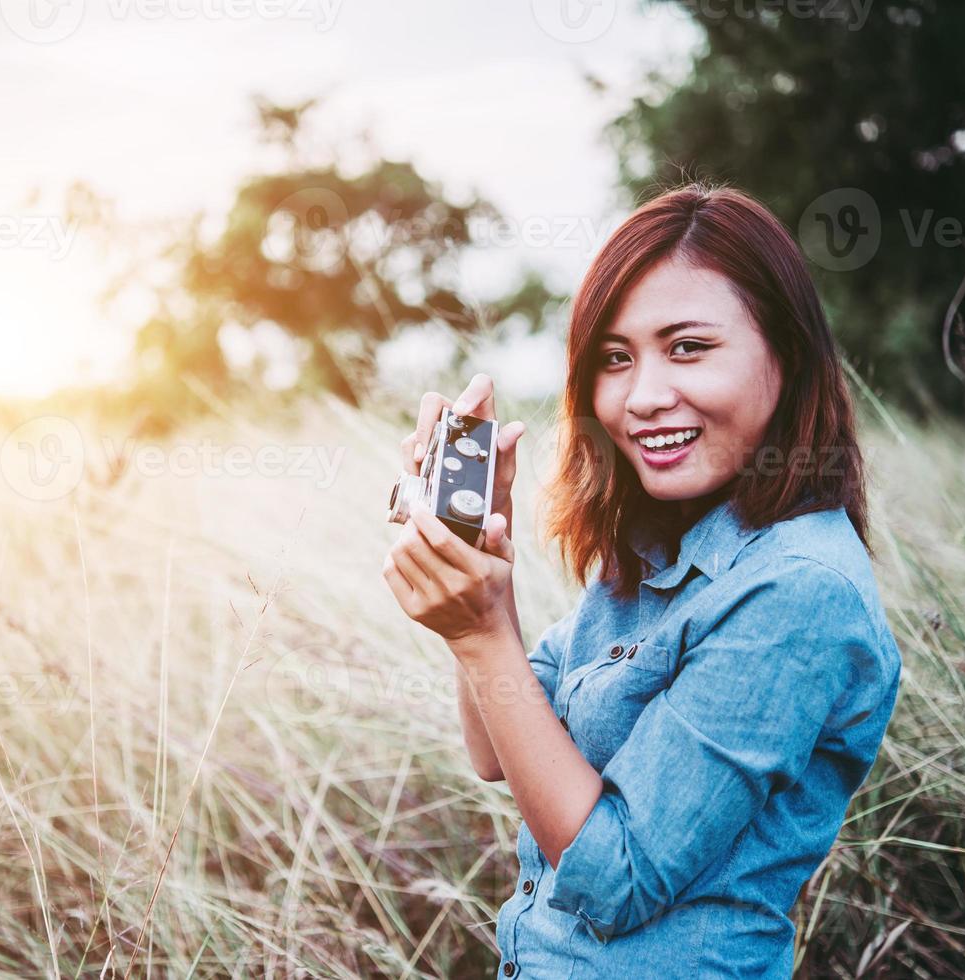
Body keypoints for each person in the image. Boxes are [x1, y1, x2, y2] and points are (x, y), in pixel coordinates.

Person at [381, 183, 902, 978]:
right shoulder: (660, 554)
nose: (644, 397)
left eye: (688, 347)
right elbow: (495, 749)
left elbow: (617, 878)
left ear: (786, 355)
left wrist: (480, 636)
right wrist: (485, 570)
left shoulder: (797, 591)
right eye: (614, 359)